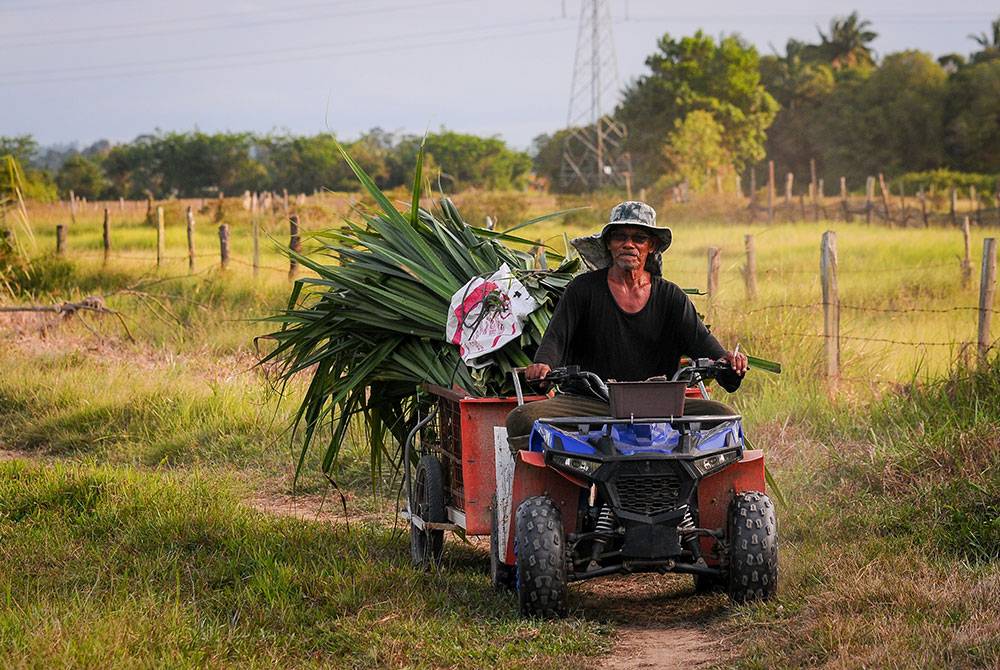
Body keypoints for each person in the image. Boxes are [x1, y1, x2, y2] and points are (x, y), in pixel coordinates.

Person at [505, 200, 748, 453]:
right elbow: (555, 340)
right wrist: (543, 367)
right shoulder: (583, 290)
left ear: (651, 246)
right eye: (620, 237)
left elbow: (708, 349)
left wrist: (730, 364)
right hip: (592, 401)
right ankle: (551, 491)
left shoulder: (671, 298)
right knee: (521, 419)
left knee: (723, 417)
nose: (629, 244)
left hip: (659, 404)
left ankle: (694, 490)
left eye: (639, 238)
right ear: (609, 243)